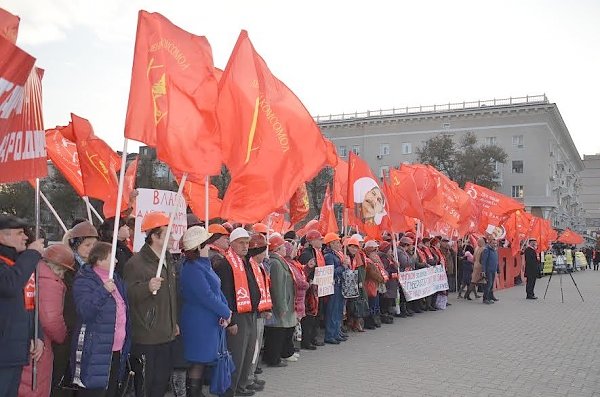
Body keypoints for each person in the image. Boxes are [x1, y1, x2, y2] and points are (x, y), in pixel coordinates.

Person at [123, 212, 178, 397]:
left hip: (166, 335)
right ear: (154, 236)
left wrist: (173, 322)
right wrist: (147, 287)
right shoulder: (136, 263)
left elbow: (171, 297)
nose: (173, 238)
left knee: (160, 385)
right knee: (145, 386)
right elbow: (127, 296)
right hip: (147, 337)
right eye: (168, 234)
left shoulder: (168, 260)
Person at [71, 242, 131, 396]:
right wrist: (103, 291)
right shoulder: (85, 280)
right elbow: (85, 310)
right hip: (95, 349)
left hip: (116, 349)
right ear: (99, 260)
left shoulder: (116, 279)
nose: (117, 261)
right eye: (113, 257)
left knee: (111, 390)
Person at [179, 226, 232, 397]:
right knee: (198, 360)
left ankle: (196, 391)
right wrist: (225, 311)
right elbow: (206, 295)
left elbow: (217, 290)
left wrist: (226, 310)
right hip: (199, 322)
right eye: (206, 244)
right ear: (198, 247)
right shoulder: (192, 268)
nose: (209, 247)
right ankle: (193, 393)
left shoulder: (203, 265)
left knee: (202, 359)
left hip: (208, 320)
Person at [18, 244, 74, 397]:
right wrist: (62, 336)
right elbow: (50, 319)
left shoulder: (32, 274)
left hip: (26, 338)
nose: (63, 276)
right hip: (41, 343)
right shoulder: (50, 282)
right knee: (36, 387)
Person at [212, 228, 262, 397]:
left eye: (247, 243)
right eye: (241, 243)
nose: (245, 246)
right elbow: (225, 293)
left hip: (251, 314)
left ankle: (240, 387)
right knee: (237, 355)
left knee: (248, 353)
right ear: (231, 244)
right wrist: (230, 320)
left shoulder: (246, 261)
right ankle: (230, 390)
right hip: (237, 316)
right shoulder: (226, 264)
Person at [0, 215, 45, 397]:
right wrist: (32, 254)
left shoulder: (19, 263)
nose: (26, 237)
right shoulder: (19, 263)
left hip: (15, 349)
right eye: (19, 233)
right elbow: (9, 285)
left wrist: (37, 334)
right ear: (2, 237)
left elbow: (30, 301)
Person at [263, 235, 297, 365]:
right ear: (277, 249)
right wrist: (282, 306)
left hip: (283, 301)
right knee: (276, 333)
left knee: (278, 332)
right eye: (283, 246)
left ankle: (273, 357)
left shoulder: (278, 261)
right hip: (280, 303)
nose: (285, 249)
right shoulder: (276, 263)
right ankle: (273, 359)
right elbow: (277, 287)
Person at [297, 230, 325, 349]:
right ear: (312, 241)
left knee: (315, 315)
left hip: (316, 288)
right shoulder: (306, 254)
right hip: (309, 290)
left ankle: (312, 338)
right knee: (309, 315)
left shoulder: (316, 252)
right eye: (319, 239)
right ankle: (306, 341)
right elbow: (305, 272)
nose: (321, 241)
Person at [322, 232, 348, 344]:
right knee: (333, 310)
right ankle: (330, 334)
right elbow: (331, 272)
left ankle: (336, 332)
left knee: (338, 310)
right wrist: (343, 266)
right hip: (334, 285)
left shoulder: (337, 255)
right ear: (331, 244)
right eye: (337, 242)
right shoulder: (329, 256)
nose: (340, 244)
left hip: (339, 284)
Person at [481, 239, 500, 304]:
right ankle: (485, 298)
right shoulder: (486, 250)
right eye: (493, 243)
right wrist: (483, 270)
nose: (495, 244)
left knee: (491, 284)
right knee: (488, 284)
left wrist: (498, 269)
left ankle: (491, 296)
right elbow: (484, 261)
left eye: (496, 243)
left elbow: (496, 261)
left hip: (493, 270)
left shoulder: (495, 250)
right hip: (488, 270)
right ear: (490, 243)